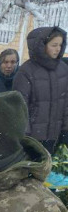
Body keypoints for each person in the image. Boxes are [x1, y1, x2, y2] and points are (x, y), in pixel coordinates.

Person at [13, 26, 68, 154]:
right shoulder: (26, 71)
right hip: (33, 139)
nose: (58, 49)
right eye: (54, 45)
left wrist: (66, 130)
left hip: (56, 137)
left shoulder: (63, 69)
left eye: (60, 45)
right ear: (41, 45)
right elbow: (20, 107)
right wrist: (25, 137)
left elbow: (66, 103)